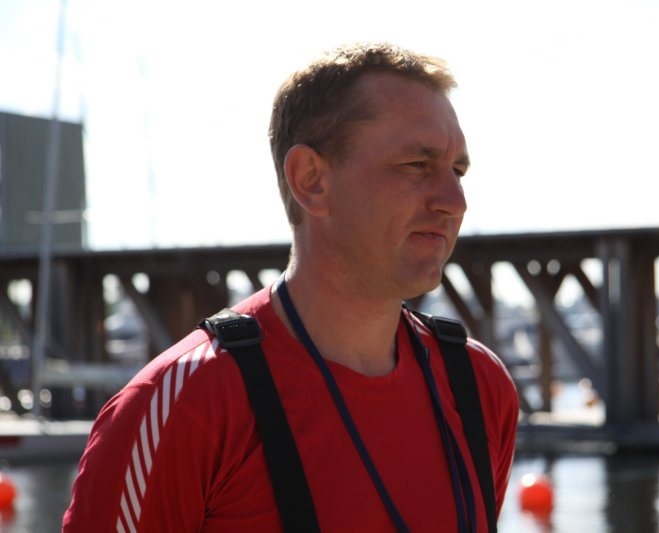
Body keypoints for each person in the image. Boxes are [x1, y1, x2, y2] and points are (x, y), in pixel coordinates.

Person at [63, 42, 519, 532]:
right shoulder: (187, 403)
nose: (455, 201)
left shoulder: (479, 385)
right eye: (416, 165)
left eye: (458, 171)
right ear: (311, 180)